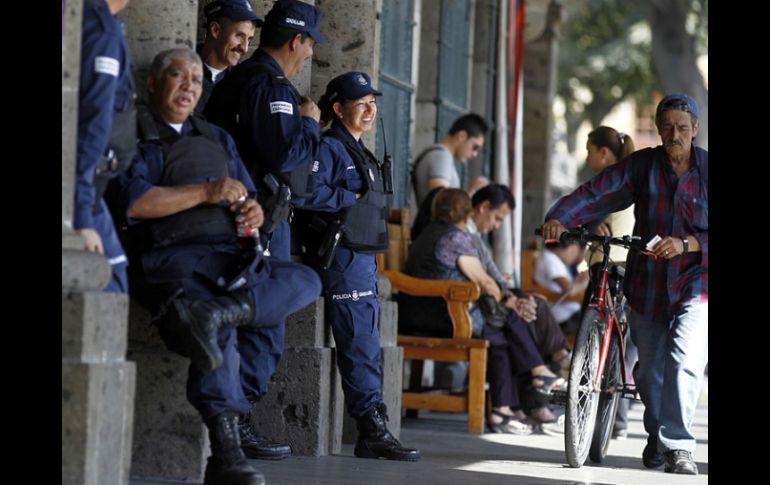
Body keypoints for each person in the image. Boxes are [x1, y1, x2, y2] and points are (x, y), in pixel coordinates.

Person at [118, 48, 323, 485]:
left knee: (306, 279)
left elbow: (246, 197)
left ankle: (223, 310)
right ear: (154, 84)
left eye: (196, 79)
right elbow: (136, 202)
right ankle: (227, 456)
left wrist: (252, 212)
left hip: (231, 259)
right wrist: (206, 193)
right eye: (178, 76)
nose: (189, 86)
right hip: (174, 263)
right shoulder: (136, 134)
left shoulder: (215, 137)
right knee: (218, 333)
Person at [540, 93, 707, 475]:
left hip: (696, 282)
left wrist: (688, 244)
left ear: (695, 129)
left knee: (684, 361)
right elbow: (598, 190)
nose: (674, 135)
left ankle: (679, 447)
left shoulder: (708, 171)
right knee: (647, 372)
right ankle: (658, 434)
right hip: (647, 282)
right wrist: (559, 218)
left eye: (682, 128)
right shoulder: (642, 166)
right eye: (667, 128)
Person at [293, 71, 420, 461]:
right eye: (361, 103)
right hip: (343, 257)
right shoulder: (331, 146)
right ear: (338, 108)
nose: (370, 109)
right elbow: (307, 192)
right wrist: (351, 196)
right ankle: (370, 426)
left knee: (365, 340)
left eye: (373, 103)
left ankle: (373, 424)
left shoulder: (359, 149)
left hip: (361, 256)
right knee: (359, 343)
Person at [400, 188, 564, 433]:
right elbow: (485, 282)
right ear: (467, 214)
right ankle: (536, 376)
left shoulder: (431, 233)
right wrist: (508, 300)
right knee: (504, 319)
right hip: (445, 316)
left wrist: (508, 298)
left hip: (423, 312)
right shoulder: (455, 238)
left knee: (500, 335)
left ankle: (505, 409)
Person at [204, 0, 325, 261]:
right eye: (310, 44)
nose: (310, 53)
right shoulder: (271, 85)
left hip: (236, 208)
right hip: (255, 214)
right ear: (296, 41)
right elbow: (286, 156)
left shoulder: (243, 74)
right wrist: (310, 124)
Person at [75, 0, 136, 292]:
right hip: (79, 189)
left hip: (84, 187)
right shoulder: (100, 28)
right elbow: (91, 127)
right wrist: (81, 217)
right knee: (110, 285)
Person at [582, 125, 638, 440]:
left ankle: (593, 407)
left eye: (589, 150)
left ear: (603, 152)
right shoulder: (631, 179)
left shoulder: (605, 181)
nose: (587, 157)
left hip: (605, 263)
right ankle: (617, 419)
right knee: (621, 338)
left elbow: (584, 214)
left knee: (590, 336)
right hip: (629, 264)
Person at [194, 0, 262, 114]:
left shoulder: (246, 81)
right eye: (240, 36)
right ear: (215, 30)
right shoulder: (181, 71)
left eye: (249, 39)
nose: (245, 48)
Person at [411, 113, 488, 205]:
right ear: (462, 136)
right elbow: (442, 204)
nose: (474, 154)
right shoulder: (441, 156)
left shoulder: (441, 155)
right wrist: (472, 192)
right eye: (475, 147)